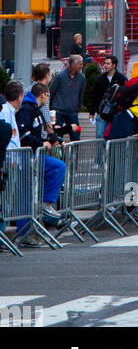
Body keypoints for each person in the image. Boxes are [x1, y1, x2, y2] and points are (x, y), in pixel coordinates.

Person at [14, 82, 66, 244]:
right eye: (47, 95)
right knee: (26, 194)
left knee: (57, 168)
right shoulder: (27, 110)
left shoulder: (34, 109)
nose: (47, 99)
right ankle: (26, 230)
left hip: (33, 154)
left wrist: (51, 140)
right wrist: (41, 143)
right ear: (42, 94)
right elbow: (24, 135)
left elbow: (36, 133)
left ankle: (46, 205)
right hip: (27, 156)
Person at [49, 55, 85, 141]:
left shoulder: (81, 78)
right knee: (57, 135)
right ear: (73, 65)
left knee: (76, 135)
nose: (82, 66)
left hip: (73, 112)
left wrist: (78, 108)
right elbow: (51, 92)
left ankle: (74, 153)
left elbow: (81, 94)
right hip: (59, 111)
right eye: (80, 64)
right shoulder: (60, 76)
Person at [89, 54, 126, 135]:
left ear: (114, 65)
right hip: (101, 112)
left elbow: (125, 95)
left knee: (113, 135)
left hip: (115, 113)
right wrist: (92, 112)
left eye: (108, 63)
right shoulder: (100, 79)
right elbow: (95, 96)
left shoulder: (121, 79)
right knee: (100, 135)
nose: (105, 65)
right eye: (105, 63)